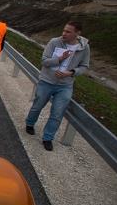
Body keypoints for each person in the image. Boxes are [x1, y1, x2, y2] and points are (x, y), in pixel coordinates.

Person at [24, 21, 90, 151]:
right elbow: (44, 61)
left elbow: (84, 66)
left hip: (65, 86)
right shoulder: (54, 42)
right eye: (64, 30)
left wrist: (71, 73)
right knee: (37, 106)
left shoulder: (84, 48)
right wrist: (59, 59)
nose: (64, 33)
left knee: (57, 113)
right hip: (46, 81)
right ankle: (30, 123)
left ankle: (48, 138)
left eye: (68, 32)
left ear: (77, 34)